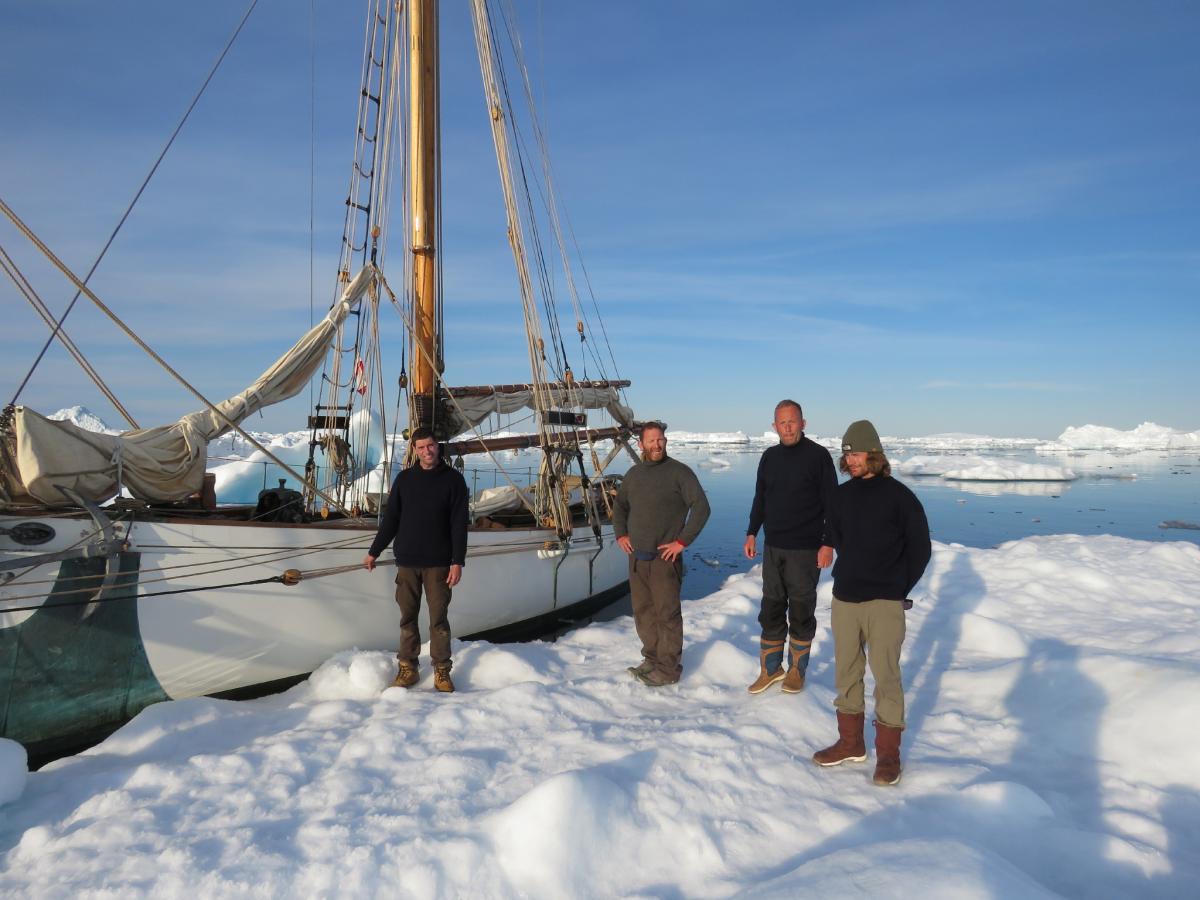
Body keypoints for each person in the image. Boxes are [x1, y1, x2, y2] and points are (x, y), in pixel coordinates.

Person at [812, 419, 931, 785]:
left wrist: (898, 586)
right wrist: (828, 542)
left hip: (884, 601)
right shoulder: (841, 495)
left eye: (858, 453)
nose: (851, 460)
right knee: (846, 672)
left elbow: (920, 548)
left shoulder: (900, 496)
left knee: (886, 676)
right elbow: (834, 527)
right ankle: (851, 743)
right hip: (846, 597)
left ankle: (889, 756)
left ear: (875, 454)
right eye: (847, 454)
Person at [364, 426, 469, 693]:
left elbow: (459, 525)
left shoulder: (453, 481)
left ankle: (442, 671)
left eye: (431, 445)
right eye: (421, 447)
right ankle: (408, 668)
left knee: (438, 621)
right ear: (414, 450)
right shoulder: (405, 480)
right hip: (408, 561)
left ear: (438, 446)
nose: (427, 451)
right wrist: (374, 551)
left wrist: (458, 561)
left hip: (439, 563)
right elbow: (392, 520)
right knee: (407, 618)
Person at [743, 399, 837, 695]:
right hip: (774, 548)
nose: (787, 427)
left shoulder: (818, 456)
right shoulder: (769, 457)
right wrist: (751, 532)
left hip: (805, 550)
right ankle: (771, 669)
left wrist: (828, 543)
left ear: (803, 423)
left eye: (792, 421)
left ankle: (797, 670)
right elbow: (761, 498)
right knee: (770, 608)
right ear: (774, 426)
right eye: (781, 422)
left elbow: (833, 504)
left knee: (800, 609)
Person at [614, 421, 711, 687]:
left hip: (664, 560)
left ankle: (668, 670)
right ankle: (652, 658)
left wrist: (682, 542)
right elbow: (620, 506)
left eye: (661, 440)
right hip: (637, 557)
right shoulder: (634, 475)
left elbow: (701, 507)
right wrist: (621, 534)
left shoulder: (679, 473)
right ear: (641, 444)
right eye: (652, 441)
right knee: (644, 612)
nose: (657, 445)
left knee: (667, 614)